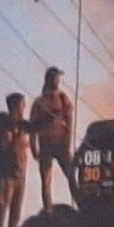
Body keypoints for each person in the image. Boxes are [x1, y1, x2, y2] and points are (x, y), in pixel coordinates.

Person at [28, 68, 79, 213]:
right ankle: (48, 210)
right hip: (45, 144)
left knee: (71, 175)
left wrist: (68, 143)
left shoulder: (63, 99)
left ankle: (81, 204)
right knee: (46, 180)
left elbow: (69, 122)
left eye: (58, 78)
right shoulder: (39, 102)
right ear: (49, 80)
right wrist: (33, 148)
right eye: (55, 78)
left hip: (61, 144)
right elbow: (32, 127)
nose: (57, 81)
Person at [0, 96, 30, 227]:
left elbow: (34, 127)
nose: (23, 109)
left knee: (16, 207)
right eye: (22, 106)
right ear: (15, 107)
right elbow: (1, 146)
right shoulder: (1, 123)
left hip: (20, 172)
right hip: (6, 172)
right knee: (3, 205)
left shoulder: (22, 125)